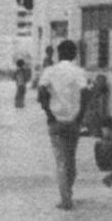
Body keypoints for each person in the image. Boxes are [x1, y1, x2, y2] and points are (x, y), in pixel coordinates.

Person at [37, 40, 90, 210]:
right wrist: (80, 117)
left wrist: (49, 113)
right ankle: (69, 192)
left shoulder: (50, 71)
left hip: (55, 121)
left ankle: (65, 198)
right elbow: (86, 93)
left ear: (58, 54)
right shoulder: (79, 72)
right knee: (71, 158)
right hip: (73, 121)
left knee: (60, 161)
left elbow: (41, 93)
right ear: (75, 54)